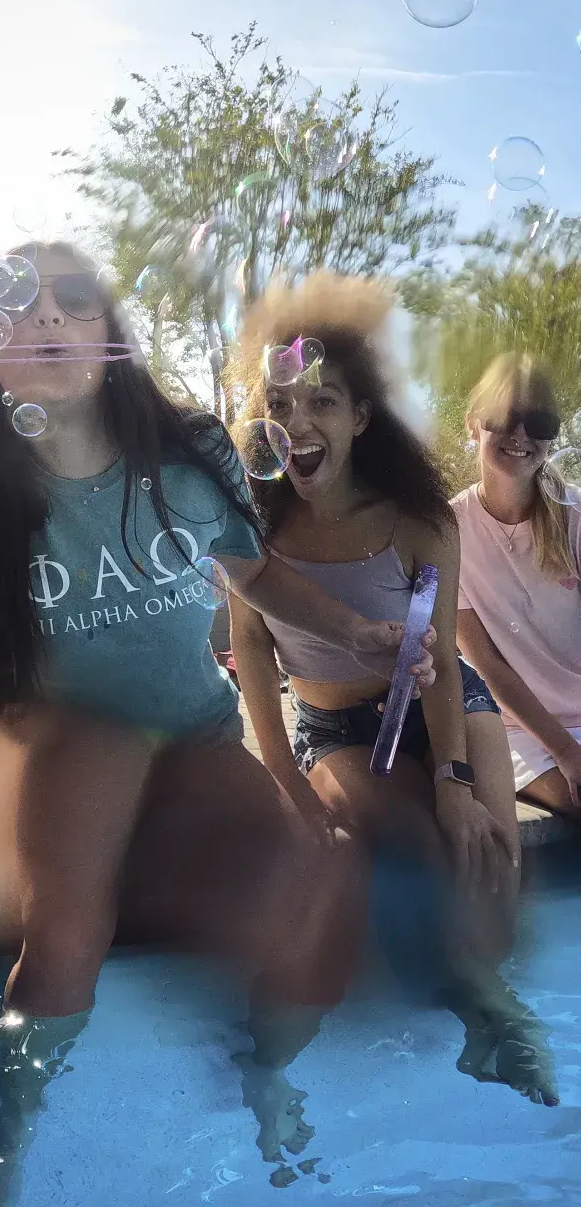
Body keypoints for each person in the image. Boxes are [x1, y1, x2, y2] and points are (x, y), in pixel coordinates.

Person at [0, 240, 437, 1207]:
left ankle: (267, 1069)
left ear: (109, 338)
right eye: (12, 310)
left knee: (311, 894)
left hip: (193, 745)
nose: (42, 321)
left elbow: (257, 577)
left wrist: (358, 629)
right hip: (53, 762)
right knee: (68, 928)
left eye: (70, 302)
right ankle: (16, 1113)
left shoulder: (191, 458)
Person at [227, 273, 557, 1108]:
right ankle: (488, 1012)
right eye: (282, 404)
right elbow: (252, 655)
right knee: (408, 840)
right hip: (335, 728)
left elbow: (440, 655)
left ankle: (479, 1005)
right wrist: (281, 780)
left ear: (361, 418)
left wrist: (454, 783)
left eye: (324, 403)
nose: (297, 423)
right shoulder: (252, 526)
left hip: (447, 707)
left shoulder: (419, 521)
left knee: (490, 863)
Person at [454, 353, 581, 821]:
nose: (520, 434)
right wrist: (568, 752)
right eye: (505, 416)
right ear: (473, 425)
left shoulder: (575, 517)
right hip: (517, 730)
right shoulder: (447, 532)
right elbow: (488, 666)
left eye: (538, 420)